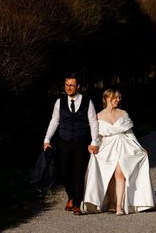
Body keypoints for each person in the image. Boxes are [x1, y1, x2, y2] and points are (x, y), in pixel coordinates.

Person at [81, 89, 156, 215]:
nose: (118, 100)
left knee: (120, 173)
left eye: (118, 97)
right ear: (107, 99)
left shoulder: (123, 113)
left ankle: (119, 206)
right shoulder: (98, 116)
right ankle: (111, 203)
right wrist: (93, 145)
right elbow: (97, 136)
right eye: (114, 98)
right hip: (107, 146)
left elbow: (130, 133)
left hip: (124, 145)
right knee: (110, 175)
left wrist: (140, 147)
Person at [43, 74, 99, 215]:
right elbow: (54, 121)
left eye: (71, 85)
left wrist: (94, 142)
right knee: (63, 172)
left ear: (78, 86)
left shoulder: (87, 101)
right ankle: (71, 196)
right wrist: (47, 139)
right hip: (64, 141)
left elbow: (93, 122)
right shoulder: (59, 101)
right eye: (66, 85)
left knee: (78, 173)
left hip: (81, 142)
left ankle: (77, 203)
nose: (68, 88)